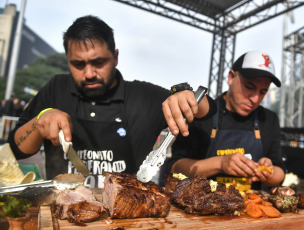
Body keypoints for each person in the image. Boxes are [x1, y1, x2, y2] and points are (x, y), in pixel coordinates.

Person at [7, 15, 214, 188]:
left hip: (126, 215)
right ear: (68, 60)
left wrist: (186, 96)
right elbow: (16, 150)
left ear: (115, 57)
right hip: (64, 215)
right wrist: (38, 123)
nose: (89, 73)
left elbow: (208, 110)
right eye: (78, 64)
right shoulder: (56, 89)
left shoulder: (143, 96)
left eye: (98, 62)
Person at [166, 50, 286, 191]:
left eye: (262, 92)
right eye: (249, 87)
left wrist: (268, 172)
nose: (255, 99)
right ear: (231, 77)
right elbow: (175, 167)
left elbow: (280, 172)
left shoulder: (268, 119)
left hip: (251, 205)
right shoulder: (205, 113)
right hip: (202, 204)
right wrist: (221, 163)